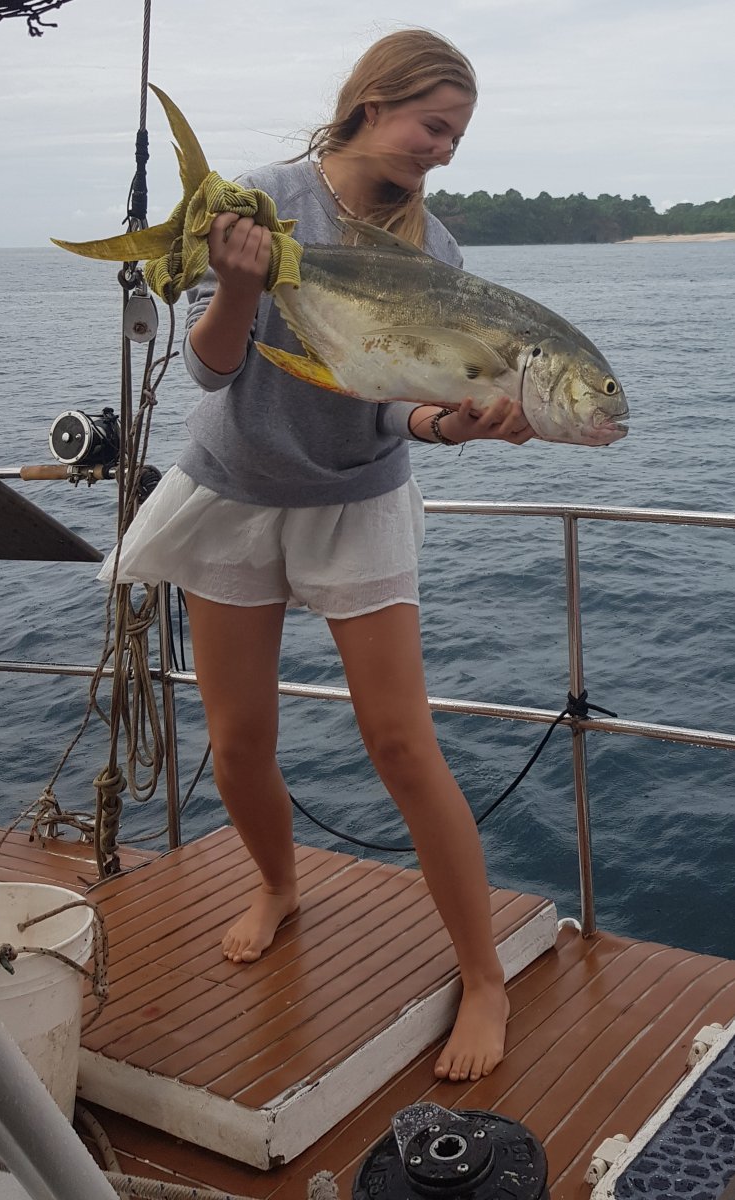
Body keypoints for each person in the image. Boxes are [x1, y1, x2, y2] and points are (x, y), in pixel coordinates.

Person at [108, 28, 533, 1082]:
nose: (442, 150)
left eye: (458, 136)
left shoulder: (435, 254)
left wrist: (462, 426)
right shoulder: (259, 198)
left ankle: (484, 975)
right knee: (240, 740)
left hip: (356, 500)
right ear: (372, 101)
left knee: (401, 744)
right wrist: (241, 289)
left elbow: (409, 408)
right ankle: (279, 883)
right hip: (237, 492)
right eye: (433, 125)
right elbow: (210, 371)